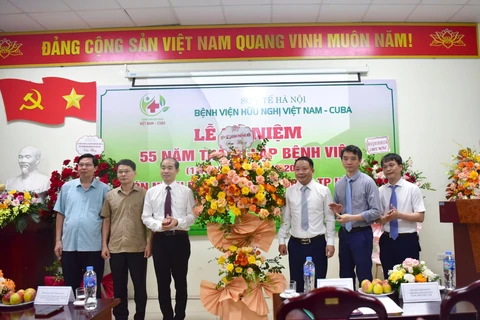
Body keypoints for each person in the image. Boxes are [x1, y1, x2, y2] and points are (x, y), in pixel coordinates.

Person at [141, 157, 196, 320]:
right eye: (163, 167)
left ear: (177, 170)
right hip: (160, 241)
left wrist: (177, 221)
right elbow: (145, 217)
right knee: (162, 283)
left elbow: (192, 216)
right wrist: (159, 225)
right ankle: (167, 316)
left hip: (180, 240)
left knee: (181, 282)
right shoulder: (152, 192)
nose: (166, 171)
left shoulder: (186, 191)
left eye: (170, 168)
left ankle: (180, 316)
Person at [101, 159, 153, 320]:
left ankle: (140, 316)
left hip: (138, 247)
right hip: (116, 248)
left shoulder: (144, 194)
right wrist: (104, 245)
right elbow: (106, 220)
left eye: (127, 171)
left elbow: (150, 221)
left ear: (134, 173)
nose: (123, 174)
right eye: (120, 171)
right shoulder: (110, 195)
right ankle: (120, 316)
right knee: (119, 288)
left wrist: (149, 243)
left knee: (139, 286)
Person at [54, 153, 110, 298]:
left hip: (93, 247)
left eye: (88, 164)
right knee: (70, 288)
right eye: (81, 165)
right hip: (69, 246)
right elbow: (60, 214)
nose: (84, 167)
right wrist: (58, 241)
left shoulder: (104, 189)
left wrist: (104, 245)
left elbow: (106, 219)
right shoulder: (67, 187)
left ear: (95, 168)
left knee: (93, 289)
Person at [278, 156, 336, 293]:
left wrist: (331, 242)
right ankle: (299, 312)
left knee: (317, 282)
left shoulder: (323, 190)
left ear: (312, 170)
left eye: (305, 169)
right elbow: (286, 218)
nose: (301, 172)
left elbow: (329, 218)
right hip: (296, 244)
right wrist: (281, 240)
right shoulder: (289, 192)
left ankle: (318, 312)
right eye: (297, 169)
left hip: (317, 244)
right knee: (297, 283)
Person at [329, 145, 381, 286]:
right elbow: (338, 215)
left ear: (359, 161)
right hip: (345, 234)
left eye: (353, 159)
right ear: (341, 161)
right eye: (345, 159)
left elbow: (376, 211)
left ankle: (367, 306)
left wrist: (351, 217)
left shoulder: (368, 182)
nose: (349, 162)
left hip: (361, 234)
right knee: (345, 274)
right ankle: (348, 306)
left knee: (364, 273)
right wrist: (337, 212)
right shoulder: (339, 184)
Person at [377, 153, 425, 279]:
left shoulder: (412, 189)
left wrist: (399, 215)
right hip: (387, 240)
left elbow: (420, 216)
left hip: (407, 240)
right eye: (385, 166)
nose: (388, 169)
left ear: (401, 167)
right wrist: (383, 219)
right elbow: (377, 217)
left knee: (409, 279)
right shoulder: (380, 191)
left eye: (391, 165)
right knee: (389, 279)